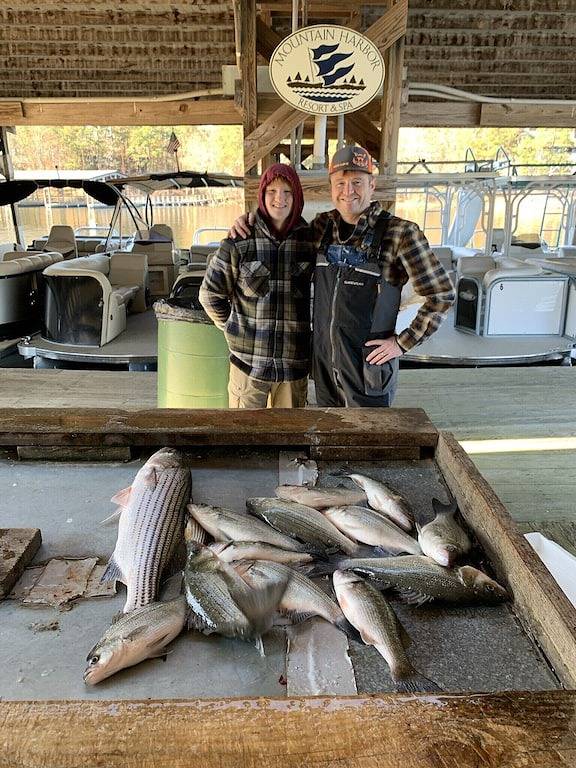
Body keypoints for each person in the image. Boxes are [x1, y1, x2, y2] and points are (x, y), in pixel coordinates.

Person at [231, 146, 455, 407]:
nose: (348, 191)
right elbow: (279, 233)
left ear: (372, 185)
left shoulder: (401, 233)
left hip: (368, 369)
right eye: (341, 183)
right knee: (328, 437)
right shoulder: (320, 227)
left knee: (366, 441)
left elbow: (441, 294)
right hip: (324, 367)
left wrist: (402, 343)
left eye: (357, 182)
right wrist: (248, 221)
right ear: (331, 188)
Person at [199, 163, 315, 408]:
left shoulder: (311, 243)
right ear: (262, 195)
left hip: (293, 368)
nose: (279, 198)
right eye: (272, 191)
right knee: (243, 441)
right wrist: (231, 327)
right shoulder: (239, 240)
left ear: (297, 197)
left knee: (290, 441)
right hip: (248, 367)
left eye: (287, 192)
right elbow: (210, 295)